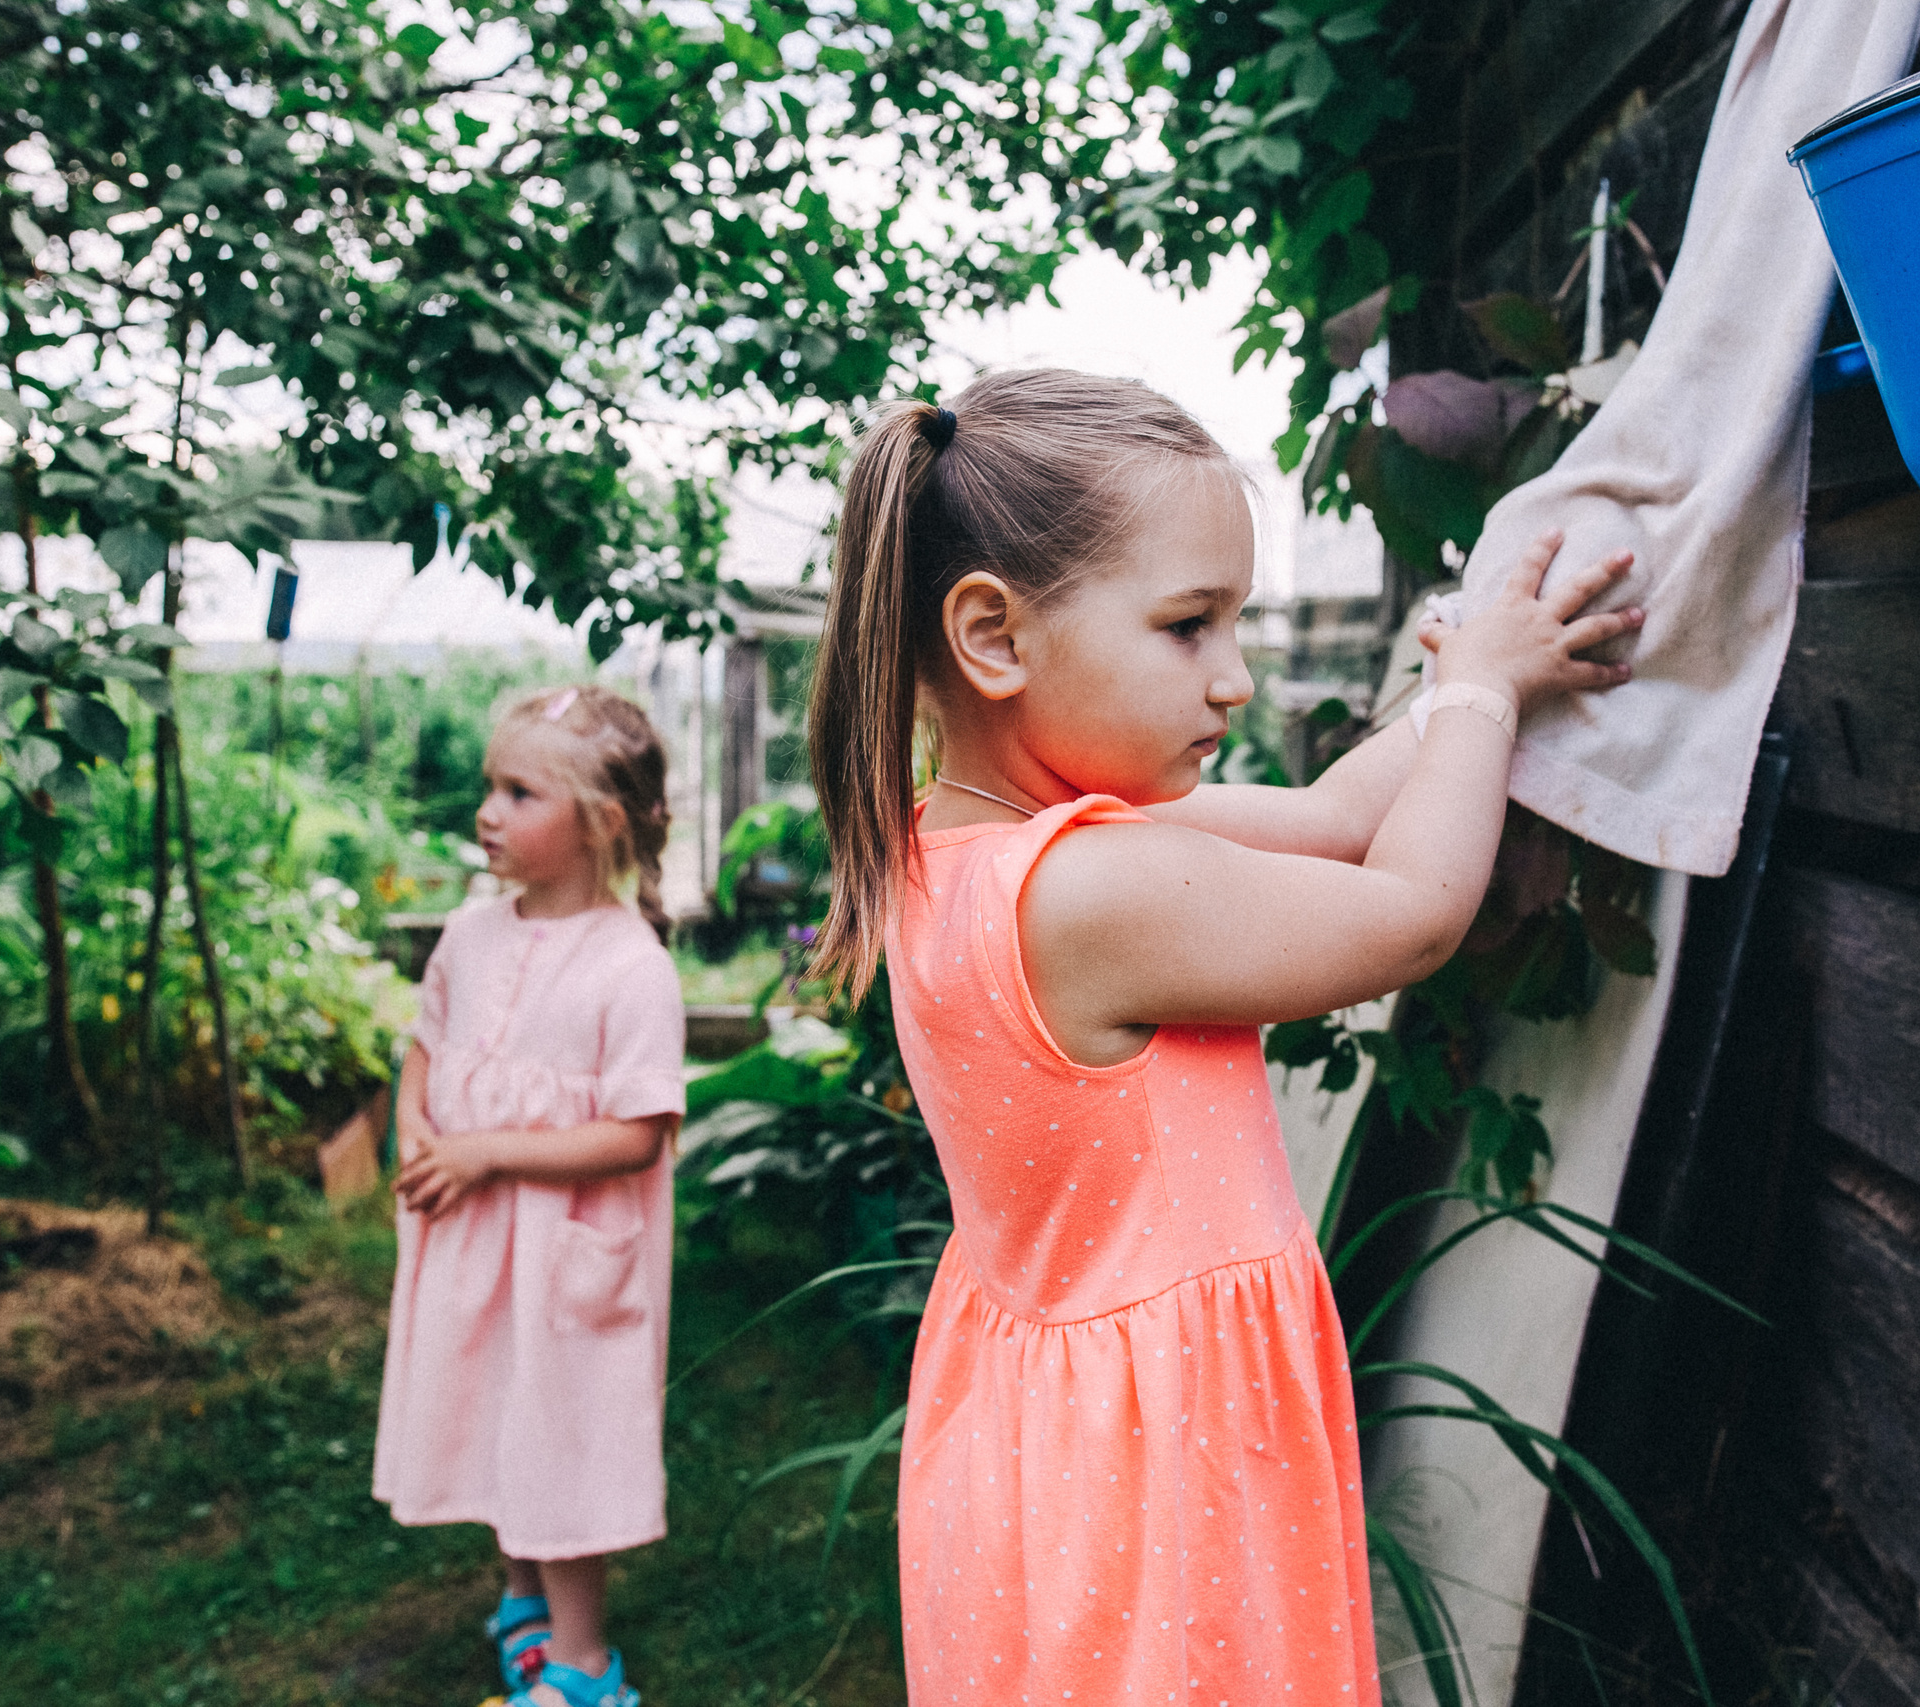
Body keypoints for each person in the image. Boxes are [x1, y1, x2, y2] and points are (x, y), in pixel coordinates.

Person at [807, 368, 1640, 1703]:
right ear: (992, 636)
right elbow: (1414, 912)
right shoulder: (1089, 889)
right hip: (1157, 1449)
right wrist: (1479, 698)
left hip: (1055, 1433)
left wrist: (1479, 682)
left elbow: (1325, 815)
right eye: (1190, 624)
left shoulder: (969, 845)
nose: (1238, 675)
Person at [372, 684, 685, 1707]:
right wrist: (416, 1125)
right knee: (496, 1412)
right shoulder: (470, 934)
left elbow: (637, 1134)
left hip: (566, 1260)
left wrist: (491, 1153)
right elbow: (425, 1046)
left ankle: (585, 1667)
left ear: (598, 821)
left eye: (519, 792)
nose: (487, 812)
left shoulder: (630, 968)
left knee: (561, 1436)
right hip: (475, 1242)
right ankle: (526, 1608)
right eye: (488, 787)